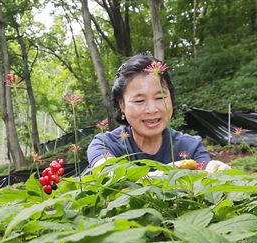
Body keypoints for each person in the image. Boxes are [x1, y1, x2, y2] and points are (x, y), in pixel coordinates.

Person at [87, 54, 230, 172]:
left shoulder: (190, 147)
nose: (152, 109)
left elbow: (206, 181)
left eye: (160, 97)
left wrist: (216, 173)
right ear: (121, 105)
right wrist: (163, 177)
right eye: (139, 100)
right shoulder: (105, 145)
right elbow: (109, 175)